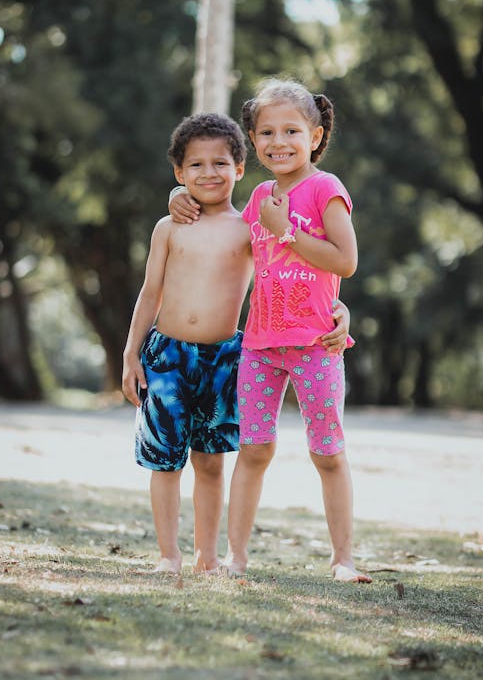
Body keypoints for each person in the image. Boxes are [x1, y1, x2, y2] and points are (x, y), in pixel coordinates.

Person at [123, 112, 351, 576]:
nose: (209, 173)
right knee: (164, 462)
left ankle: (209, 556)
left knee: (210, 462)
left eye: (220, 164)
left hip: (226, 357)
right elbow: (151, 292)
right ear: (179, 174)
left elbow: (306, 267)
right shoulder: (168, 227)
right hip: (166, 355)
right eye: (196, 167)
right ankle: (169, 556)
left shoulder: (252, 225)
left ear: (240, 170)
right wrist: (131, 353)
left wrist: (339, 309)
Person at [169, 78, 371, 583]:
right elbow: (216, 208)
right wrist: (178, 193)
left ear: (316, 135)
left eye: (291, 131)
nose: (278, 142)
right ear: (253, 140)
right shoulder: (258, 194)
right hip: (259, 346)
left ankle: (343, 560)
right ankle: (236, 558)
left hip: (314, 346)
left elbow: (344, 261)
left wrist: (288, 232)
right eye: (266, 132)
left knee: (326, 450)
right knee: (255, 450)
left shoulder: (326, 189)